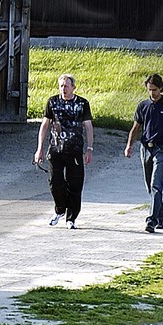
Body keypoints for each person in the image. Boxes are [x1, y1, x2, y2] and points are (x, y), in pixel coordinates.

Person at [124, 72, 163, 233]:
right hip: (146, 148)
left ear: (161, 88)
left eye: (155, 90)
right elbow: (135, 127)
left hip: (162, 149)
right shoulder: (143, 106)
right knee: (149, 187)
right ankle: (161, 215)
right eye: (150, 90)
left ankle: (151, 220)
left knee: (156, 185)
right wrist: (129, 145)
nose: (152, 93)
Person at [33, 73, 93, 228]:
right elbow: (45, 125)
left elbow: (88, 126)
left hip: (75, 149)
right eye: (61, 86)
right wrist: (39, 149)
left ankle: (71, 218)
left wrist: (89, 148)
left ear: (73, 87)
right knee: (55, 182)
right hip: (56, 149)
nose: (63, 89)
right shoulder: (52, 102)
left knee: (75, 184)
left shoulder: (82, 104)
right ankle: (60, 209)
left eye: (66, 86)